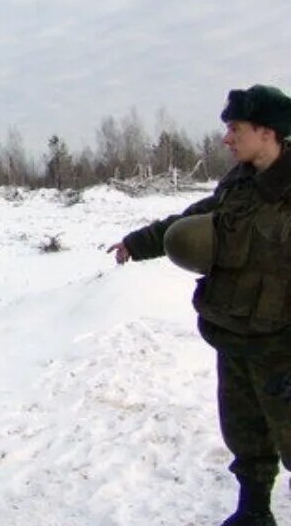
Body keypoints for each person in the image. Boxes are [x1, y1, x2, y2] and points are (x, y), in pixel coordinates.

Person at [108, 84, 291, 526]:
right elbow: (193, 219)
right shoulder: (238, 185)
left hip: (283, 346)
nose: (227, 138)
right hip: (234, 337)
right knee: (244, 432)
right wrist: (138, 242)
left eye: (235, 128)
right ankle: (253, 510)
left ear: (267, 132)